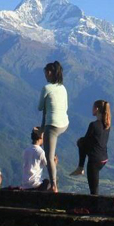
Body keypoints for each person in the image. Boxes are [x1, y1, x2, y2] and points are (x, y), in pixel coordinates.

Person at [35, 61, 68, 193]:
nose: (45, 76)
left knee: (49, 157)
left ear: (49, 73)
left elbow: (39, 107)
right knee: (47, 111)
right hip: (64, 124)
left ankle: (54, 185)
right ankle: (42, 130)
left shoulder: (47, 88)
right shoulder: (63, 88)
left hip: (52, 126)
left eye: (45, 73)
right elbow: (65, 107)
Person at [70, 100, 111, 195]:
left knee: (94, 190)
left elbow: (85, 141)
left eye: (92, 107)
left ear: (96, 109)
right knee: (82, 142)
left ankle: (80, 167)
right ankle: (80, 168)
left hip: (95, 160)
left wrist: (79, 141)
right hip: (104, 158)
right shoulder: (107, 125)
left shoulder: (93, 125)